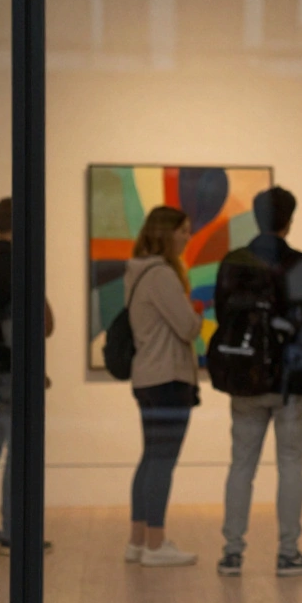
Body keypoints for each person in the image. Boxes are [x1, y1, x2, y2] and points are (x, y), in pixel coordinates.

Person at [214, 187, 302, 578]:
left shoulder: (232, 262)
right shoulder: (301, 264)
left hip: (245, 379)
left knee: (241, 465)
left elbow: (220, 313)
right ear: (289, 219)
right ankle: (287, 552)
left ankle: (232, 553)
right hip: (292, 381)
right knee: (291, 464)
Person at [0, 197, 55, 555]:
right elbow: (40, 324)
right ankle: (13, 534)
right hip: (14, 370)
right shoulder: (20, 262)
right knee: (17, 452)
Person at [124, 206, 203, 567]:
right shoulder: (161, 275)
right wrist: (197, 316)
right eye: (183, 230)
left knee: (150, 458)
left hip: (147, 377)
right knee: (162, 461)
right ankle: (156, 544)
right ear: (166, 233)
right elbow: (187, 327)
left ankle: (138, 541)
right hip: (168, 377)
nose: (188, 237)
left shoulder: (137, 271)